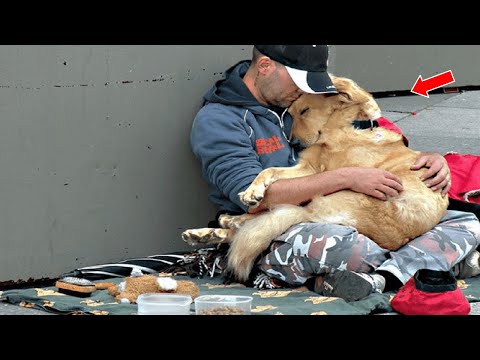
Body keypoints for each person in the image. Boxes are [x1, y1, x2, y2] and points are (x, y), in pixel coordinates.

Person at [189, 45, 480, 301]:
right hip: (281, 226)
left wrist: (429, 160)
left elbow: (375, 136)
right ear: (265, 66)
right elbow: (256, 198)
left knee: (466, 222)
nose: (304, 92)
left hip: (359, 210)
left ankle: (380, 277)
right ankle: (428, 265)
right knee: (347, 248)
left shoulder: (304, 94)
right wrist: (347, 177)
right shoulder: (220, 120)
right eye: (299, 82)